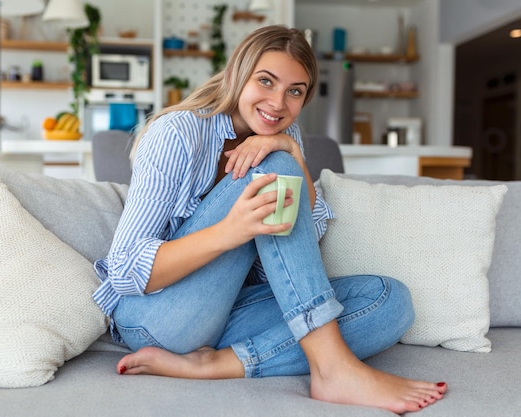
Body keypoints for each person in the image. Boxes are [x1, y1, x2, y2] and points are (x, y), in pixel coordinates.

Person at [93, 25, 447, 414]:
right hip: (155, 318)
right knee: (274, 168)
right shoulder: (179, 133)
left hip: (226, 313)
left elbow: (302, 246)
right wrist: (230, 231)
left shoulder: (281, 134)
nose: (278, 103)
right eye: (266, 81)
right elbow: (124, 269)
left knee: (388, 300)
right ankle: (331, 369)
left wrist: (293, 153)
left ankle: (215, 364)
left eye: (294, 91)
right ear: (237, 75)